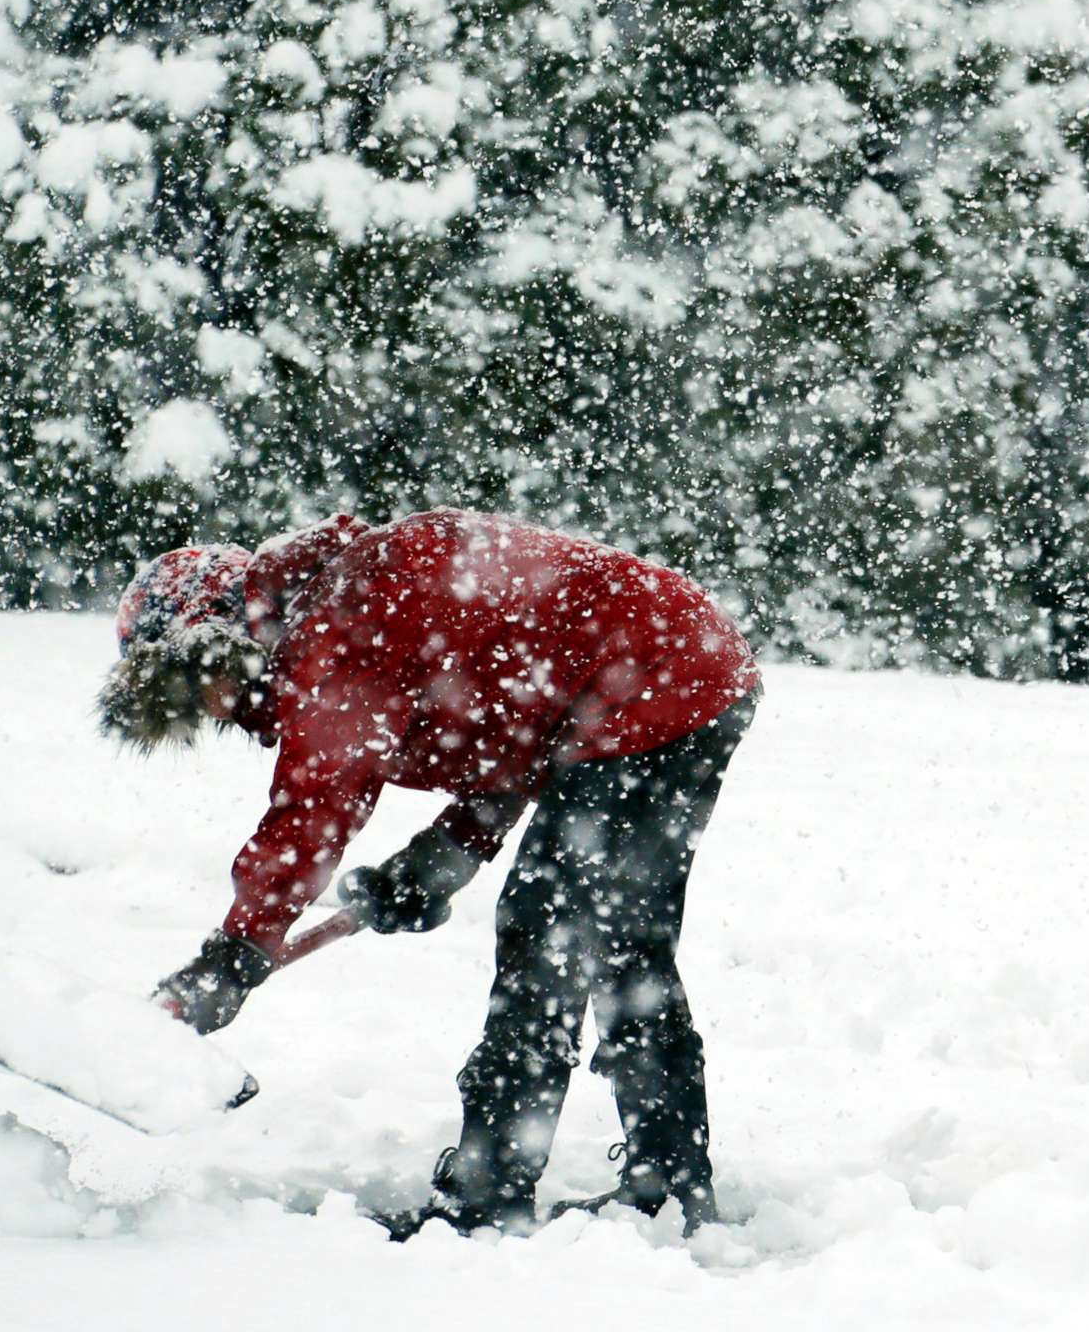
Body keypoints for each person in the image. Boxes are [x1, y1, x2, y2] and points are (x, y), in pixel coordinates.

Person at [100, 509, 760, 1237]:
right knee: (618, 943)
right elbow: (511, 733)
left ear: (215, 637)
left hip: (659, 678)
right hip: (678, 667)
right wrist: (436, 863)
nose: (209, 709)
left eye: (195, 685)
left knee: (550, 936)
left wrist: (234, 954)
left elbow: (317, 809)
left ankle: (490, 1193)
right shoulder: (342, 605)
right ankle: (668, 1185)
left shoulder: (338, 618)